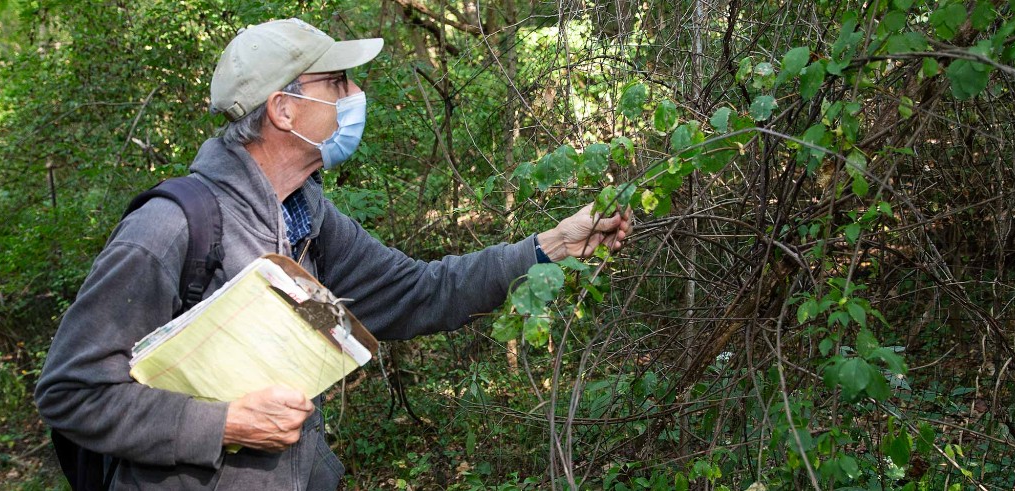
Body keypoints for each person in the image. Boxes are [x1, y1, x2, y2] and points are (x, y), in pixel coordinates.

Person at [34, 17, 631, 490]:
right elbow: (70, 391)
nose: (356, 96)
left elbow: (423, 292)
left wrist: (551, 246)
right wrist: (222, 425)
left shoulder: (309, 216)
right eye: (338, 84)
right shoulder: (170, 228)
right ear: (283, 109)